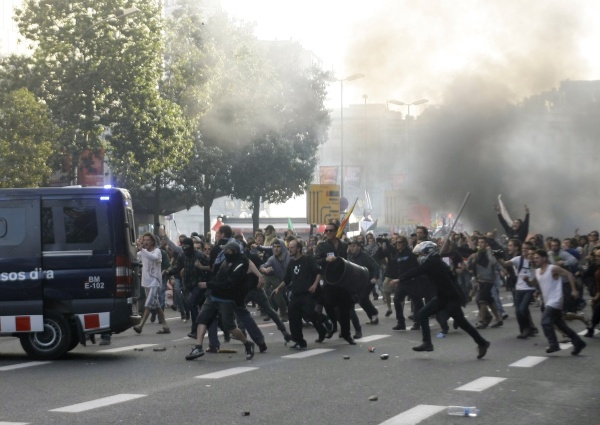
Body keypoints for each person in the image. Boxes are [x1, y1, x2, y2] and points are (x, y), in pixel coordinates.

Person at [398, 241, 490, 359]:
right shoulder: (436, 261)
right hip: (445, 296)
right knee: (460, 322)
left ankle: (428, 343)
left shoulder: (433, 262)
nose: (420, 257)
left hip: (449, 297)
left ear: (428, 252)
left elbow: (417, 271)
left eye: (421, 254)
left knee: (425, 315)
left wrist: (400, 279)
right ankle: (482, 343)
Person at [186, 241, 255, 361]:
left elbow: (229, 283)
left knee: (230, 326)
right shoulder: (225, 261)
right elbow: (216, 274)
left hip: (227, 298)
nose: (224, 252)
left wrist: (208, 284)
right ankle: (198, 347)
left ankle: (247, 343)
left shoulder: (240, 264)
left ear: (234, 252)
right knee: (202, 319)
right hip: (213, 295)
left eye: (227, 250)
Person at [273, 239, 333, 349]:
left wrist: (314, 285)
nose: (289, 249)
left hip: (308, 292)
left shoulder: (308, 259)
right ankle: (300, 341)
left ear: (298, 248)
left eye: (292, 247)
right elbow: (287, 279)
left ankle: (325, 320)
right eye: (289, 247)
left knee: (309, 313)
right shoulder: (291, 262)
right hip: (296, 294)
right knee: (293, 317)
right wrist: (278, 288)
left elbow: (318, 272)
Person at [531, 249, 586, 355]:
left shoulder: (553, 268)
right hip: (548, 301)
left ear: (544, 258)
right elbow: (536, 283)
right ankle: (578, 342)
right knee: (561, 325)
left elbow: (569, 274)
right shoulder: (537, 271)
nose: (535, 259)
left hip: (556, 300)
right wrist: (530, 285)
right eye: (534, 258)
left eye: (537, 257)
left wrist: (574, 290)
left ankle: (554, 345)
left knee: (545, 321)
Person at [315, 221, 356, 345]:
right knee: (328, 304)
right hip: (328, 279)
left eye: (330, 230)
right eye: (326, 231)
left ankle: (346, 334)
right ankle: (332, 325)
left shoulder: (343, 245)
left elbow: (347, 261)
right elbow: (316, 260)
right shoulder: (322, 245)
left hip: (342, 280)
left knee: (345, 308)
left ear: (337, 231)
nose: (327, 233)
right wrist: (325, 259)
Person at [133, 233, 171, 335]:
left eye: (148, 240)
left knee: (148, 303)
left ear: (153, 241)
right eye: (144, 240)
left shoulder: (157, 251)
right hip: (146, 282)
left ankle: (140, 326)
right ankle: (165, 326)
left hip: (155, 281)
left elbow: (153, 258)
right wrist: (136, 247)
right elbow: (136, 257)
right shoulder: (143, 252)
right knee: (156, 304)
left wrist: (142, 250)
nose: (146, 242)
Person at [346, 237, 379, 333]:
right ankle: (373, 316)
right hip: (358, 281)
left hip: (369, 280)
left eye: (354, 246)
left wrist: (375, 277)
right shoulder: (350, 256)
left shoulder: (364, 256)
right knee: (360, 300)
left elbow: (375, 266)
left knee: (363, 298)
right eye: (350, 246)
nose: (352, 248)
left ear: (359, 247)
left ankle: (374, 314)